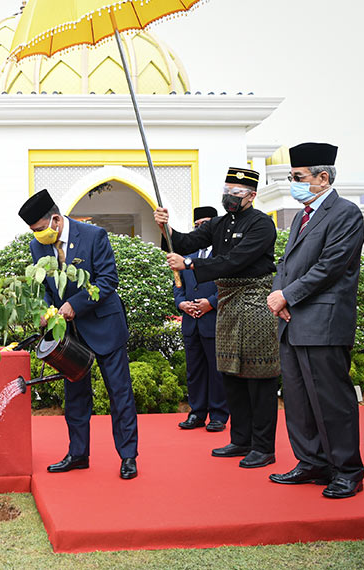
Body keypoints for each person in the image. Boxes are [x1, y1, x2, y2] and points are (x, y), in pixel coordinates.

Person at [154, 167, 280, 469]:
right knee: (231, 374)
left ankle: (263, 447)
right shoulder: (219, 223)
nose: (229, 197)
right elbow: (186, 242)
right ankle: (240, 439)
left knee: (258, 376)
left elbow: (234, 260)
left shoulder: (262, 225)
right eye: (227, 191)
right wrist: (166, 229)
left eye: (236, 193)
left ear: (251, 196)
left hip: (254, 300)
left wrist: (190, 266)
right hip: (227, 301)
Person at [18, 189, 139, 480]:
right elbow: (45, 288)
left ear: (56, 220)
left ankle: (128, 457)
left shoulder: (94, 236)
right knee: (75, 396)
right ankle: (78, 454)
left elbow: (108, 280)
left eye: (39, 229)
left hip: (104, 325)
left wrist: (75, 304)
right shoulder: (38, 247)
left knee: (119, 394)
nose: (37, 236)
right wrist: (47, 311)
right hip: (69, 333)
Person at [267, 143, 364, 499]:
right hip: (292, 322)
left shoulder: (345, 213)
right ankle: (312, 462)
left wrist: (287, 295)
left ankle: (347, 470)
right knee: (297, 399)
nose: (293, 183)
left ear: (323, 177)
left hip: (323, 322)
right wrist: (279, 296)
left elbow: (330, 266)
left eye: (298, 178)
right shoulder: (303, 216)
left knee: (330, 400)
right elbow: (287, 265)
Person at [174, 206, 229, 432]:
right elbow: (178, 286)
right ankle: (197, 412)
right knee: (194, 370)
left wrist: (211, 303)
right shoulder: (186, 256)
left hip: (213, 319)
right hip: (191, 321)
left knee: (216, 370)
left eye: (205, 223)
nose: (201, 228)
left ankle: (218, 415)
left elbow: (229, 286)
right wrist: (181, 303)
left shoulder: (224, 254)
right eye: (197, 225)